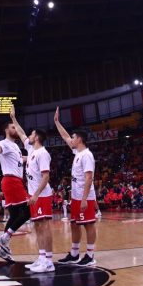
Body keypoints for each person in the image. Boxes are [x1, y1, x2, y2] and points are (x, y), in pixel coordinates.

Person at [8, 108, 55, 272]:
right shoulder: (31, 150)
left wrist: (35, 195)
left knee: (45, 226)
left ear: (37, 138)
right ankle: (41, 258)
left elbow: (46, 177)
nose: (28, 136)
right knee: (37, 226)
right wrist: (13, 117)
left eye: (32, 134)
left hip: (41, 195)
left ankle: (49, 261)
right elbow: (20, 133)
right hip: (34, 194)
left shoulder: (42, 153)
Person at [53, 108, 99, 267]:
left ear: (79, 139)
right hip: (76, 196)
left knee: (88, 224)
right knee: (74, 224)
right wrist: (57, 122)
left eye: (73, 137)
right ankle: (74, 254)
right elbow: (65, 136)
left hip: (84, 196)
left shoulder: (87, 155)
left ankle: (90, 255)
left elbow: (89, 177)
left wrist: (85, 198)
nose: (70, 139)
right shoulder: (77, 152)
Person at [0, 115, 33, 262]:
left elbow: (22, 160)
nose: (16, 129)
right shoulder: (4, 143)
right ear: (6, 130)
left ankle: (3, 250)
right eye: (13, 127)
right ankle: (4, 237)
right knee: (28, 211)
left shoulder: (16, 147)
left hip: (14, 181)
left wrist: (34, 155)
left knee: (14, 216)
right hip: (12, 181)